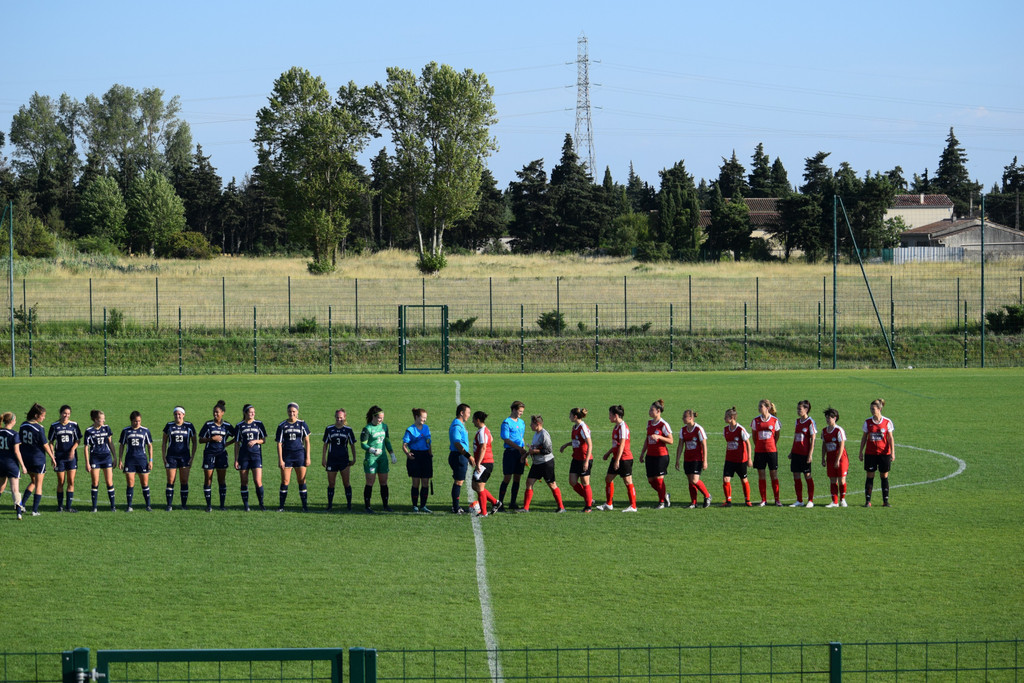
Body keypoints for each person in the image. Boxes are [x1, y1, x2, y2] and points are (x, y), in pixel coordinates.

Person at [596, 405, 637, 512]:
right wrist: (608, 453)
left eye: (610, 415)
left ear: (616, 415)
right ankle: (609, 504)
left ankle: (633, 506)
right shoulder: (616, 426)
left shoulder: (623, 427)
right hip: (617, 457)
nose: (609, 417)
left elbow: (622, 445)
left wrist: (617, 460)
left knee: (628, 481)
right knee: (608, 479)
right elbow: (616, 444)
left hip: (624, 458)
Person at [521, 415, 565, 513]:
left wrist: (534, 451)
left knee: (552, 484)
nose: (530, 426)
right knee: (529, 482)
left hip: (546, 463)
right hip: (537, 464)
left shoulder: (544, 434)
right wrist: (527, 454)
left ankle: (561, 507)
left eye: (532, 424)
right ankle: (525, 508)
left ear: (538, 424)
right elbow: (535, 448)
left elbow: (548, 450)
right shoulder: (536, 433)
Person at [19, 403, 56, 516]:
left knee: (33, 481)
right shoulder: (39, 428)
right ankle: (34, 511)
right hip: (38, 459)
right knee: (39, 485)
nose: (44, 418)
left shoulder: (22, 425)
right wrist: (52, 457)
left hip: (26, 458)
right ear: (36, 415)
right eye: (43, 416)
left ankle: (21, 504)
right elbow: (45, 445)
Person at [199, 400, 236, 511]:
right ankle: (209, 505)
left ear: (222, 413)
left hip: (222, 455)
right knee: (208, 479)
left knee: (221, 480)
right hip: (209, 454)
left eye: (217, 412)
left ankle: (222, 505)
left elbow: (237, 436)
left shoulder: (227, 426)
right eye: (214, 412)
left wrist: (227, 443)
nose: (215, 414)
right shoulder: (208, 424)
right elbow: (200, 439)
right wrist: (211, 439)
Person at [859, 398, 895, 507]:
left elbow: (890, 438)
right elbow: (864, 438)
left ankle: (885, 501)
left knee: (884, 476)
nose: (872, 410)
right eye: (871, 408)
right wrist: (861, 452)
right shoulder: (868, 422)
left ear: (879, 409)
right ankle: (867, 501)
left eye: (873, 408)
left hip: (884, 454)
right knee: (870, 476)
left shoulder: (887, 422)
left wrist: (893, 452)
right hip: (870, 453)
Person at [276, 402, 311, 512]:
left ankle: (304, 506)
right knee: (285, 481)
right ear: (287, 412)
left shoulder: (302, 424)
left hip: (300, 455)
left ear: (297, 412)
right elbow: (279, 443)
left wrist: (308, 457)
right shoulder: (282, 425)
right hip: (287, 456)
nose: (292, 413)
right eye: (290, 411)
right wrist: (280, 459)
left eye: (294, 411)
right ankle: (281, 506)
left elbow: (307, 441)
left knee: (301, 480)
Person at [638, 399, 673, 509]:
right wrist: (643, 452)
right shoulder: (649, 423)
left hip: (661, 456)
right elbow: (647, 439)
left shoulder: (663, 424)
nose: (649, 411)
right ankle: (665, 495)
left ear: (658, 411)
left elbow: (671, 440)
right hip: (650, 456)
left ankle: (661, 502)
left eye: (652, 409)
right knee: (651, 480)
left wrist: (659, 437)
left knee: (659, 479)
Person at [161, 406, 197, 511]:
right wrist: (164, 457)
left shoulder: (189, 426)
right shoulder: (169, 426)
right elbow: (164, 442)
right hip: (171, 457)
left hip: (185, 457)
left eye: (179, 414)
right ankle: (169, 505)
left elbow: (194, 442)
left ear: (183, 415)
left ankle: (183, 505)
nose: (177, 416)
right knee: (170, 480)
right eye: (176, 414)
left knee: (184, 480)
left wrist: (192, 457)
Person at [361, 405, 395, 513]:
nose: (381, 420)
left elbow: (387, 441)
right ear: (373, 417)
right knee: (370, 481)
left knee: (383, 481)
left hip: (383, 458)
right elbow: (363, 444)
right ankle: (367, 507)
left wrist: (392, 453)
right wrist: (372, 450)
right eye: (379, 418)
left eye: (382, 418)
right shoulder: (367, 429)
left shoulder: (384, 427)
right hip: (371, 458)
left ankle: (385, 505)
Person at [117, 411, 154, 512]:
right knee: (130, 483)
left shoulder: (145, 431)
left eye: (139, 421)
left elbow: (150, 446)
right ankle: (129, 506)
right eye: (135, 421)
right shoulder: (126, 431)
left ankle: (148, 505)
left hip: (142, 460)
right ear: (131, 421)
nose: (137, 423)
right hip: (130, 461)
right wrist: (120, 460)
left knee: (145, 483)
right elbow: (122, 445)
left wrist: (151, 460)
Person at [675, 409, 712, 508]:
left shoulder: (698, 429)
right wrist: (677, 460)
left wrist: (705, 461)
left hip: (697, 459)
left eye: (684, 417)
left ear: (690, 418)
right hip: (687, 459)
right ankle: (693, 502)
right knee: (690, 481)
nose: (682, 419)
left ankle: (707, 496)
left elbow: (704, 445)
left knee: (695, 480)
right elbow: (680, 446)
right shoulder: (683, 430)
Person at [559, 407, 594, 512]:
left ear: (575, 416)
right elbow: (576, 441)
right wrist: (566, 445)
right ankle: (589, 499)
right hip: (576, 458)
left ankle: (588, 507)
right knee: (572, 481)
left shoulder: (583, 428)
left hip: (584, 459)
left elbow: (590, 444)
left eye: (570, 415)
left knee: (585, 482)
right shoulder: (575, 427)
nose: (569, 417)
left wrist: (587, 461)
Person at [233, 403, 266, 511]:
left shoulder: (259, 424)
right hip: (243, 457)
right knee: (244, 481)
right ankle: (246, 505)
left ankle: (261, 504)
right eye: (250, 412)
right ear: (245, 413)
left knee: (258, 481)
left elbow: (263, 440)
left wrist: (256, 441)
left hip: (256, 456)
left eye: (254, 412)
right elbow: (237, 443)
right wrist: (236, 459)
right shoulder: (239, 425)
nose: (253, 414)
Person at [49, 405, 82, 513]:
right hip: (59, 458)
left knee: (71, 481)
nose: (66, 415)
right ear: (60, 413)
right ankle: (60, 506)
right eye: (64, 413)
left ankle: (68, 506)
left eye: (68, 414)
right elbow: (51, 442)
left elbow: (78, 440)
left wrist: (73, 449)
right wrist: (52, 455)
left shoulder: (74, 425)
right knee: (61, 481)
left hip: (71, 458)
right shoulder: (54, 426)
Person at [323, 409, 357, 511]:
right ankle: (329, 505)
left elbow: (352, 445)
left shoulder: (348, 430)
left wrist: (354, 458)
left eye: (341, 418)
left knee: (346, 483)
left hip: (344, 460)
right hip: (332, 460)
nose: (339, 419)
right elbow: (325, 445)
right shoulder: (329, 429)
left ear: (344, 418)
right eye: (337, 417)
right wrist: (323, 459)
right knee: (331, 483)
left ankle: (349, 505)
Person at [497, 401, 527, 512]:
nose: (521, 413)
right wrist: (519, 449)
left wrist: (524, 452)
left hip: (520, 454)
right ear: (513, 410)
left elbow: (521, 437)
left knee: (517, 478)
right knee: (507, 478)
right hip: (510, 453)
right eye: (520, 411)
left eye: (522, 411)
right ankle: (500, 503)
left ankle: (513, 503)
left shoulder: (522, 422)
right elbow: (506, 439)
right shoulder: (506, 423)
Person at [83, 410, 116, 512]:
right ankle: (94, 507)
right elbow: (86, 447)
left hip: (106, 457)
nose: (104, 420)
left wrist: (115, 457)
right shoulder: (89, 431)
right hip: (95, 459)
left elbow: (110, 443)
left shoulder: (106, 428)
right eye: (102, 419)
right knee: (95, 482)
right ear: (96, 420)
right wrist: (87, 462)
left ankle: (112, 506)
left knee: (109, 482)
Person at [751, 399, 782, 506]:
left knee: (773, 475)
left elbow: (777, 435)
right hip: (759, 451)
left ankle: (777, 499)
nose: (759, 408)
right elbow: (754, 436)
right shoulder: (755, 421)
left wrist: (771, 444)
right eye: (759, 406)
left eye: (761, 406)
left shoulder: (774, 420)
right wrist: (759, 445)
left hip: (772, 451)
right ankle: (763, 499)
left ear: (767, 408)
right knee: (761, 475)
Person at [402, 408, 433, 512]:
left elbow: (429, 442)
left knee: (425, 482)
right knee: (415, 482)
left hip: (425, 456)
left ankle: (423, 505)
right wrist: (407, 453)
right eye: (423, 418)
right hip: (415, 456)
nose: (424, 420)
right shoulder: (410, 430)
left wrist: (430, 454)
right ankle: (415, 506)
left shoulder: (426, 428)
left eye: (426, 418)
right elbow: (404, 445)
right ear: (416, 417)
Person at [469, 411, 499, 516]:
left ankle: (484, 512)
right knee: (475, 485)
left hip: (484, 463)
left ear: (478, 420)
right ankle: (495, 502)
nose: (472, 421)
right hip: (485, 462)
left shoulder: (482, 432)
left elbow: (483, 447)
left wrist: (478, 463)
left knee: (479, 487)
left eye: (473, 419)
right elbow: (491, 439)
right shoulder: (486, 430)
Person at [788, 400, 817, 508]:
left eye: (800, 409)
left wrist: (810, 454)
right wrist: (791, 451)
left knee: (807, 476)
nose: (798, 411)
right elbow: (795, 437)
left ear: (806, 409)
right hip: (796, 453)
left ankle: (810, 500)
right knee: (796, 476)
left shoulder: (810, 422)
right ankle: (799, 500)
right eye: (797, 409)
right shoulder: (797, 421)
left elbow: (813, 439)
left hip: (805, 454)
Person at [722, 407, 752, 507]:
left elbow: (748, 443)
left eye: (726, 417)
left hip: (740, 460)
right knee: (726, 479)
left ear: (732, 417)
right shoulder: (725, 429)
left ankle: (747, 500)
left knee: (744, 479)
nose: (724, 418)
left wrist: (749, 458)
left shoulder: (740, 429)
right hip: (729, 459)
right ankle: (728, 501)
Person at [0, 412, 26, 519]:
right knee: (15, 489)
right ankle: (19, 513)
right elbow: (17, 451)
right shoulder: (14, 434)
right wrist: (23, 465)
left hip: (0, 463)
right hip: (11, 464)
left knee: (1, 487)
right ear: (12, 421)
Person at [820, 407, 849, 508]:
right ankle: (835, 502)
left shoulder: (838, 430)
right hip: (830, 458)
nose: (828, 420)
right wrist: (823, 458)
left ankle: (843, 499)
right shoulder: (824, 431)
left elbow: (842, 446)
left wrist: (837, 460)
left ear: (835, 418)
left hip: (841, 458)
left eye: (830, 418)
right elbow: (824, 445)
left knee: (841, 480)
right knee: (832, 480)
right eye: (826, 418)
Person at [447, 403, 472, 514]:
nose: (469, 415)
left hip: (460, 456)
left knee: (459, 481)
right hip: (458, 456)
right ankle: (456, 508)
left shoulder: (459, 424)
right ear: (462, 413)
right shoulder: (457, 425)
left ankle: (456, 507)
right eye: (468, 413)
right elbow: (457, 443)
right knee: (458, 482)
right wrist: (468, 456)